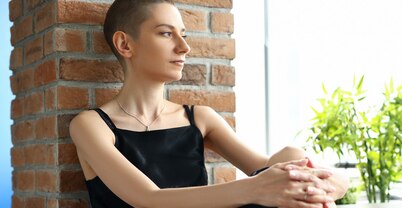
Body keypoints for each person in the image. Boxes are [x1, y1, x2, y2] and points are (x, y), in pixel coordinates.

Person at [68, 0, 348, 207]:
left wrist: (333, 182)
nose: (184, 47)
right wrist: (255, 189)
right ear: (125, 45)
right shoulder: (91, 125)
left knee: (291, 154)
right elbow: (148, 199)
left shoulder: (200, 118)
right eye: (166, 33)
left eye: (184, 35)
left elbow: (268, 167)